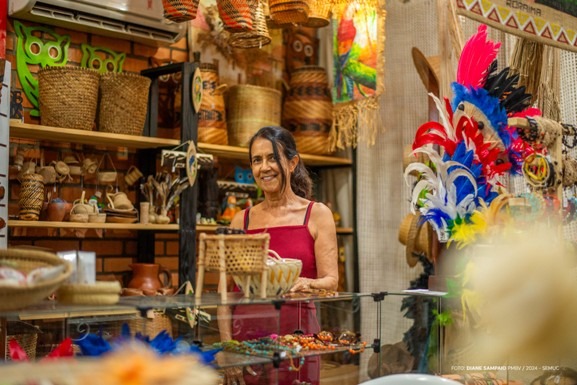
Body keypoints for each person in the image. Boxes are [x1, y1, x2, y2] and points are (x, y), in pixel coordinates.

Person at [218, 126, 339, 385]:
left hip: (299, 340)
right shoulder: (242, 219)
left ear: (292, 162)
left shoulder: (317, 214)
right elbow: (225, 294)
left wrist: (307, 283)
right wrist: (229, 348)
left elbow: (331, 280)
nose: (264, 167)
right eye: (257, 160)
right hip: (246, 345)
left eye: (273, 157)